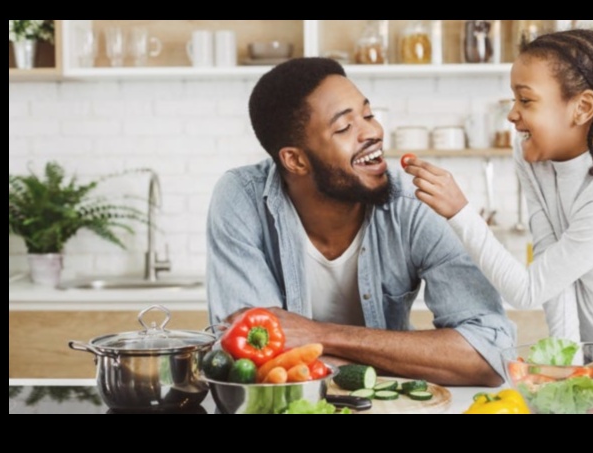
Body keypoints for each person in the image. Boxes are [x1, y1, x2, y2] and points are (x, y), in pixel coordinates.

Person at [404, 29, 593, 380]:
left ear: (582, 108)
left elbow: (527, 290)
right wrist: (569, 364)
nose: (512, 115)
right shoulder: (533, 156)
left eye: (526, 100)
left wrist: (460, 212)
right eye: (513, 99)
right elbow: (552, 272)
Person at [206, 57, 515, 386]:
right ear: (295, 160)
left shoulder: (415, 203)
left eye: (368, 115)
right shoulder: (241, 198)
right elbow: (250, 362)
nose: (373, 132)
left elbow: (490, 356)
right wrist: (408, 360)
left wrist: (318, 335)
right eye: (343, 128)